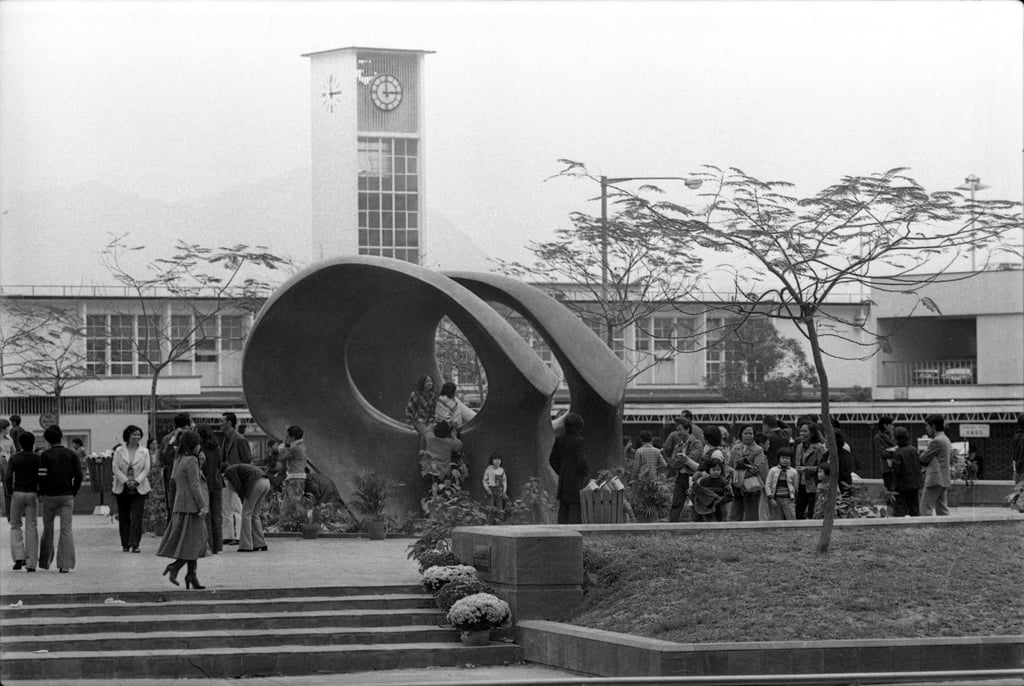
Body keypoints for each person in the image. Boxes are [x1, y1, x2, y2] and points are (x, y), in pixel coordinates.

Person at [157, 430, 210, 589]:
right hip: (192, 508)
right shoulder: (192, 461)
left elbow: (174, 480)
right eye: (198, 443)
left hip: (181, 505)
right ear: (194, 445)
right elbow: (195, 485)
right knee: (196, 542)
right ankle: (179, 568)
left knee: (190, 542)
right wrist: (202, 505)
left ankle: (190, 575)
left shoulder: (179, 459)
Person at [37, 425, 83, 573]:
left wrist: (42, 493)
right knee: (66, 530)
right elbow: (79, 476)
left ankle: (45, 561)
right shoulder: (71, 454)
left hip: (50, 496)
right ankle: (65, 564)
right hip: (67, 496)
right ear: (61, 436)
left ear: (47, 440)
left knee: (48, 528)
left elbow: (42, 476)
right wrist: (73, 491)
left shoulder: (45, 455)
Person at [111, 425, 152, 553]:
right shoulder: (119, 451)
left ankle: (135, 544)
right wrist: (126, 481)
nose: (137, 437)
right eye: (134, 434)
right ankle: (125, 543)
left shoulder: (144, 451)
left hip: (139, 487)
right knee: (124, 516)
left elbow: (146, 469)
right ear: (128, 435)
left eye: (139, 434)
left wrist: (136, 481)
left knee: (137, 516)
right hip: (122, 487)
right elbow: (115, 468)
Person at [5, 432, 40, 572]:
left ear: (19, 443)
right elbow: (42, 475)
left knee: (15, 525)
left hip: (18, 493)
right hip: (32, 493)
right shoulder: (38, 458)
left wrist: (10, 491)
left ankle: (19, 558)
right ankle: (31, 563)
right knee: (31, 525)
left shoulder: (15, 458)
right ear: (33, 443)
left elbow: (8, 476)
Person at [549, 412, 588, 524]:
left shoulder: (559, 440)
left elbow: (552, 459)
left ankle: (561, 532)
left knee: (563, 508)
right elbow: (581, 461)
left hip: (563, 479)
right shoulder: (580, 442)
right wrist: (584, 471)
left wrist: (561, 470)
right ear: (578, 426)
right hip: (576, 480)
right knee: (575, 509)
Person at [661, 417, 703, 522]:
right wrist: (683, 460)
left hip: (692, 477)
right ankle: (672, 526)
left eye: (680, 429)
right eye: (677, 430)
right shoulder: (678, 446)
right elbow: (673, 464)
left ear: (687, 429)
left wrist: (682, 460)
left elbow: (691, 458)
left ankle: (698, 526)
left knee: (696, 504)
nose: (678, 432)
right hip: (680, 477)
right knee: (676, 503)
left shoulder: (696, 443)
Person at [223, 463, 271, 553]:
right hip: (266, 482)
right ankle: (260, 544)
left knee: (246, 514)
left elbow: (238, 486)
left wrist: (243, 499)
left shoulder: (229, 471)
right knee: (255, 514)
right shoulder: (238, 467)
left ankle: (246, 546)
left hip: (256, 483)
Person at [220, 412, 251, 546]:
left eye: (222, 421)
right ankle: (227, 535)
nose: (220, 424)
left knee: (237, 507)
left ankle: (238, 535)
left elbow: (246, 459)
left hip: (237, 477)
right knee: (226, 507)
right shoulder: (225, 440)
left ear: (229, 423)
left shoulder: (239, 439)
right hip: (226, 476)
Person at [728, 425, 768, 521]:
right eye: (746, 433)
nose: (748, 436)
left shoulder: (758, 450)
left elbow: (756, 469)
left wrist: (739, 474)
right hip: (737, 486)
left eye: (751, 433)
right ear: (741, 435)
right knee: (734, 515)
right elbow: (728, 465)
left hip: (752, 487)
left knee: (751, 515)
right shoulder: (735, 449)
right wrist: (734, 473)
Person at [197, 425, 224, 554]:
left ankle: (209, 545)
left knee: (206, 514)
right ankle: (219, 547)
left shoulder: (200, 448)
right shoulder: (217, 447)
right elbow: (220, 464)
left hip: (205, 482)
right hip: (217, 482)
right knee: (217, 516)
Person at [918, 414, 952, 516]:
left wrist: (919, 453)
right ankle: (947, 530)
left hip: (935, 479)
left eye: (928, 426)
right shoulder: (945, 439)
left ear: (933, 426)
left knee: (925, 508)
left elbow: (923, 458)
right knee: (942, 509)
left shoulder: (936, 441)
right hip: (944, 478)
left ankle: (925, 530)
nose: (926, 428)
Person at [159, 413, 193, 513]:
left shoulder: (167, 438)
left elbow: (161, 459)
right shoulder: (192, 437)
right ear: (188, 423)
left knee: (173, 507)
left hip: (171, 475)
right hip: (189, 476)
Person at [420, 421, 463, 496]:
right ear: (447, 434)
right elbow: (459, 445)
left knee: (430, 486)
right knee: (441, 489)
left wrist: (434, 424)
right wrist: (454, 436)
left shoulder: (430, 438)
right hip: (442, 474)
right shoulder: (449, 442)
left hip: (429, 470)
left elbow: (427, 430)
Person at [793, 422, 826, 520]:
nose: (802, 433)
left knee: (812, 512)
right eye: (801, 431)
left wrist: (807, 469)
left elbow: (822, 467)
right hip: (800, 484)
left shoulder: (819, 448)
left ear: (812, 433)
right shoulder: (799, 447)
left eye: (805, 431)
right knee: (798, 513)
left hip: (813, 485)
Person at [890, 426, 922, 517]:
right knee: (914, 507)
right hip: (915, 484)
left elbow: (896, 470)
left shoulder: (897, 453)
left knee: (900, 509)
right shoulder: (914, 449)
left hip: (902, 485)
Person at [690, 456, 732, 522]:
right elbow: (699, 495)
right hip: (707, 509)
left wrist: (718, 501)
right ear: (708, 470)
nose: (716, 472)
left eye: (718, 470)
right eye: (714, 470)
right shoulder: (703, 482)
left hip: (720, 508)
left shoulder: (724, 482)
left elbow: (730, 496)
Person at [280, 425, 308, 520]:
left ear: (292, 437)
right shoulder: (298, 447)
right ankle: (285, 523)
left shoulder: (296, 448)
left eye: (287, 436)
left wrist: (284, 445)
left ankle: (300, 523)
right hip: (293, 478)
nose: (286, 438)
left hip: (296, 478)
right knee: (287, 503)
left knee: (294, 503)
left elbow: (281, 456)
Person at [765, 449, 798, 520]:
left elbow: (795, 485)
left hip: (788, 499)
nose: (785, 460)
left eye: (787, 458)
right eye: (783, 458)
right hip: (776, 499)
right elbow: (767, 485)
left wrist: (794, 498)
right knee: (777, 519)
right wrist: (770, 498)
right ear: (779, 459)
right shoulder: (773, 470)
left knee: (791, 518)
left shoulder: (793, 472)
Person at [482, 452, 508, 524]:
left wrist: (504, 491)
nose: (497, 461)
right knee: (490, 508)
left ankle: (500, 523)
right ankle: (489, 523)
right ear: (491, 460)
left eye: (499, 459)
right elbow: (484, 480)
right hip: (491, 490)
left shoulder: (502, 470)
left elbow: (504, 482)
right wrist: (487, 489)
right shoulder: (489, 469)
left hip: (499, 491)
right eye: (495, 459)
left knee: (500, 508)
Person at [872, 416, 896, 490]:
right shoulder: (878, 437)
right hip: (887, 468)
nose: (893, 427)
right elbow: (882, 453)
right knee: (890, 490)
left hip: (898, 466)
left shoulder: (895, 435)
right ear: (885, 425)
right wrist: (894, 452)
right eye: (891, 425)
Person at [0, 417, 13, 520]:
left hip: (6, 467)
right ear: (3, 428)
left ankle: (9, 514)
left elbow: (13, 453)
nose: (9, 429)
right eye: (8, 427)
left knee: (7, 490)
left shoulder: (9, 440)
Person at [1013, 414, 1024, 485]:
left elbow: (1014, 456)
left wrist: (1014, 471)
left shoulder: (1016, 436)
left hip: (1018, 471)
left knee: (1019, 493)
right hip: (1022, 471)